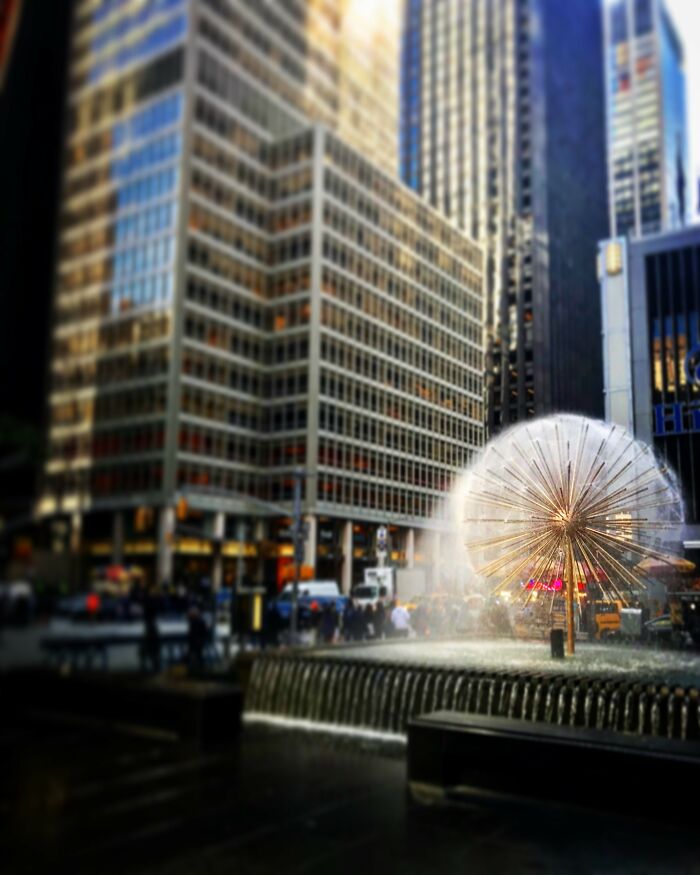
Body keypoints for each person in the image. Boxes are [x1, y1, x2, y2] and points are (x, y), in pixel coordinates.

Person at [141, 585, 161, 673]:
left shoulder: (148, 600)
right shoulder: (151, 600)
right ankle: (153, 666)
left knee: (151, 652)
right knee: (153, 653)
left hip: (150, 626)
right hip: (151, 626)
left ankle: (152, 666)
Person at [187, 604, 209, 674]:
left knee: (196, 656)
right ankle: (199, 669)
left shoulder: (195, 622)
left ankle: (196, 670)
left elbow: (193, 633)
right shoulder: (199, 621)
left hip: (196, 642)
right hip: (197, 642)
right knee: (198, 656)